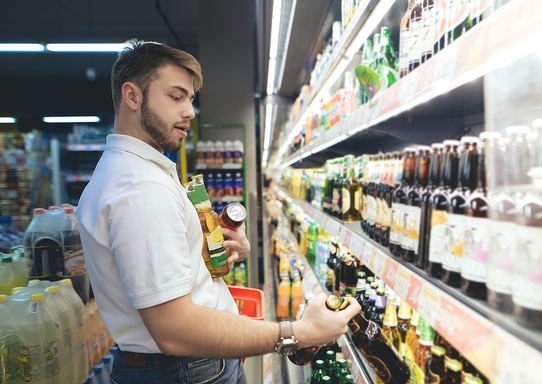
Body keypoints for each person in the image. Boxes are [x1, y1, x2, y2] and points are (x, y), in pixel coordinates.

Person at [77, 40, 361, 384]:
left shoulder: (137, 171)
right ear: (132, 96)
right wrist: (297, 333)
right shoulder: (139, 188)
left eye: (190, 100)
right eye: (176, 96)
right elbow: (174, 329)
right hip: (186, 369)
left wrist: (209, 255)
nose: (190, 112)